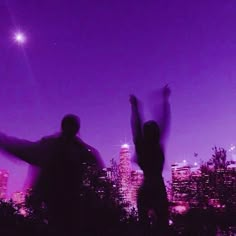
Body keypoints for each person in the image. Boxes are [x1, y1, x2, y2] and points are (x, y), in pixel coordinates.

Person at [0, 114, 104, 235]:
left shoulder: (72, 149)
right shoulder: (77, 150)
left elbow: (23, 148)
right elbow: (23, 148)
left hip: (60, 205)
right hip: (60, 205)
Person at [129, 85, 171, 235]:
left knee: (144, 225)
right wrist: (165, 100)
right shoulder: (157, 145)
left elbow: (136, 126)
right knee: (162, 225)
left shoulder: (141, 146)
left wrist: (135, 107)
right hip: (158, 186)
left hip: (146, 187)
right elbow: (165, 121)